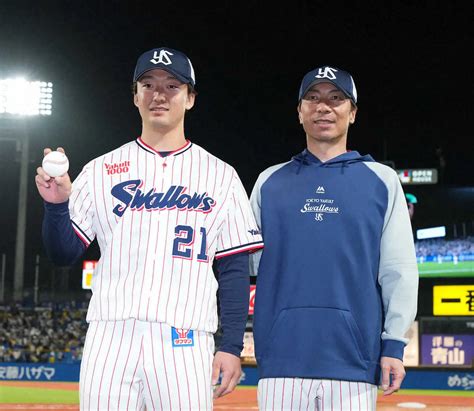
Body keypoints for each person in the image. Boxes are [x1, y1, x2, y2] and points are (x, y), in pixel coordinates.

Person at [35, 46, 263, 410]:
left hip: (184, 336)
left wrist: (232, 346)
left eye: (173, 86)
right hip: (111, 332)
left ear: (190, 98)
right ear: (136, 96)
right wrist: (57, 205)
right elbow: (63, 253)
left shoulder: (221, 176)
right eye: (148, 84)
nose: (159, 94)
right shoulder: (101, 170)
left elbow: (235, 268)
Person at [250, 66, 418, 410]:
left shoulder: (382, 181)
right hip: (281, 360)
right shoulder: (270, 181)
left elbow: (398, 270)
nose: (322, 107)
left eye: (335, 98)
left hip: (355, 364)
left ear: (352, 112)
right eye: (312, 98)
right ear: (299, 112)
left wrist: (395, 345)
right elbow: (246, 265)